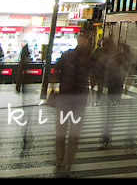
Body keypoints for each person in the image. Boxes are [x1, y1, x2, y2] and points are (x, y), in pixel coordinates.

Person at [53, 31, 95, 175]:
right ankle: (62, 162)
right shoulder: (74, 56)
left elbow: (56, 72)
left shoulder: (86, 57)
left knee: (68, 133)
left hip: (72, 100)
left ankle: (66, 162)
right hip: (70, 99)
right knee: (66, 133)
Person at [98, 41, 129, 150]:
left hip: (112, 91)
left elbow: (121, 76)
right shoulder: (103, 59)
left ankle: (105, 138)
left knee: (108, 116)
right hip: (107, 91)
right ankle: (106, 137)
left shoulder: (116, 60)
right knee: (107, 116)